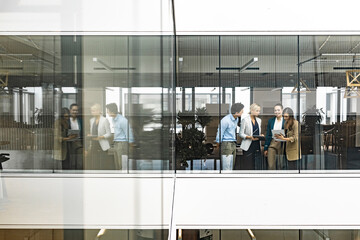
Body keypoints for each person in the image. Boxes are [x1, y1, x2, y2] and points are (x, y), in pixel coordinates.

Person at [215, 102, 244, 170]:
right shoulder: (225, 120)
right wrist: (218, 143)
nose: (243, 112)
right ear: (236, 112)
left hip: (233, 143)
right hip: (226, 144)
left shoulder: (236, 119)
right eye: (242, 111)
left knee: (231, 166)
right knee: (226, 167)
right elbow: (220, 132)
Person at [106, 103, 134, 170]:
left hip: (122, 144)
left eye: (107, 110)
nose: (107, 112)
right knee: (117, 165)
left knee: (122, 165)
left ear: (112, 110)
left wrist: (131, 146)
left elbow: (129, 133)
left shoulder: (122, 120)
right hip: (117, 143)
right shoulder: (113, 119)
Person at [87, 103, 112, 170]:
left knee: (102, 164)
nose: (92, 112)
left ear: (99, 111)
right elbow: (93, 131)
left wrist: (100, 137)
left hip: (102, 145)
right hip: (93, 145)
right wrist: (90, 135)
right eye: (91, 111)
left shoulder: (105, 120)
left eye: (94, 110)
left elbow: (109, 134)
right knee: (94, 164)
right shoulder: (91, 120)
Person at [239, 103, 264, 170]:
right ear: (252, 110)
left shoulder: (259, 120)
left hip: (257, 145)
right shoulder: (245, 120)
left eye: (259, 111)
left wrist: (260, 135)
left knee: (257, 166)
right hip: (248, 146)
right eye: (257, 111)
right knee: (248, 166)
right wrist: (249, 137)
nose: (258, 112)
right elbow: (241, 134)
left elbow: (258, 132)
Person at [264, 103, 285, 170]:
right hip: (272, 143)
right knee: (271, 165)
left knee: (280, 165)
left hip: (282, 143)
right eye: (275, 110)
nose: (277, 112)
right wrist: (266, 148)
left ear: (282, 110)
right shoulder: (271, 121)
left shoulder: (285, 120)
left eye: (278, 110)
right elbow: (268, 134)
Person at [66, 103, 83, 170]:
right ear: (70, 111)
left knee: (79, 161)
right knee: (71, 161)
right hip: (69, 143)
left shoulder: (80, 121)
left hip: (79, 143)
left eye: (76, 110)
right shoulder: (67, 120)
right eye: (73, 110)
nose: (75, 112)